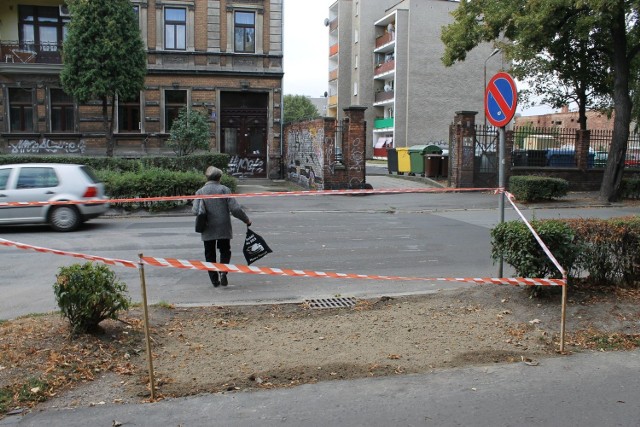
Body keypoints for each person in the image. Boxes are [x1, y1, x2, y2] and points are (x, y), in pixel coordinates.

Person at [192, 166, 251, 287]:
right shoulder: (224, 190)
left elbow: (194, 211)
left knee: (209, 253)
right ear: (219, 177)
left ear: (207, 177)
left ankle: (214, 280)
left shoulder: (200, 192)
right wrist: (246, 220)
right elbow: (235, 209)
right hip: (223, 226)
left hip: (207, 227)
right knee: (225, 250)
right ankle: (223, 272)